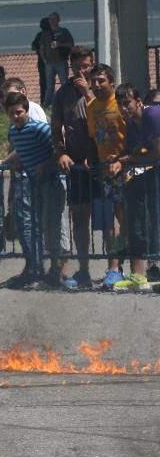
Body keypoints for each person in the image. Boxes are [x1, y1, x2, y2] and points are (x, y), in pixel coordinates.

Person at [2, 92, 70, 288]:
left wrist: (45, 164)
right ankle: (36, 268)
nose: (16, 116)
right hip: (33, 183)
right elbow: (23, 152)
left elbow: (58, 149)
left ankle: (57, 270)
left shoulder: (40, 128)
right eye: (12, 113)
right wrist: (19, 163)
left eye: (20, 112)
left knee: (52, 226)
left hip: (50, 181)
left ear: (27, 111)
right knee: (34, 226)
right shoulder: (14, 132)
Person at [52, 45, 96, 288]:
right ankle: (84, 269)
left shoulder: (101, 85)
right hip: (76, 163)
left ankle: (115, 267)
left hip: (101, 163)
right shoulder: (63, 93)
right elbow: (56, 125)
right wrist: (60, 152)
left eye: (86, 65)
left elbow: (104, 119)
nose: (83, 70)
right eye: (78, 66)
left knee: (109, 220)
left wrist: (87, 91)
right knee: (80, 217)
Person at [111, 85, 160, 292]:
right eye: (120, 104)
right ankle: (139, 276)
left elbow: (157, 154)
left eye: (127, 103)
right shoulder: (132, 123)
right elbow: (129, 149)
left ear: (138, 101)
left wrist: (128, 160)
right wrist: (118, 161)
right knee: (138, 214)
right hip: (153, 173)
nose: (123, 108)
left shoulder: (153, 115)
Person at [86, 63, 127, 289]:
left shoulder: (121, 103)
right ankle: (114, 267)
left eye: (101, 80)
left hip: (126, 168)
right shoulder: (91, 107)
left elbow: (133, 134)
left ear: (112, 82)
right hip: (104, 170)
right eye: (94, 81)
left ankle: (145, 263)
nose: (97, 85)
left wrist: (122, 161)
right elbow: (94, 137)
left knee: (129, 220)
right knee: (110, 221)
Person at [39, 12, 74, 106]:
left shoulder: (64, 31)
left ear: (58, 20)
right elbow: (41, 48)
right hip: (49, 63)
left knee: (64, 83)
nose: (52, 21)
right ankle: (48, 104)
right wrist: (44, 60)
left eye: (54, 19)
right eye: (50, 19)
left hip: (61, 61)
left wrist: (59, 44)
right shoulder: (45, 34)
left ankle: (67, 101)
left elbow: (71, 44)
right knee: (49, 86)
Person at [32, 17, 51, 105]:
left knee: (45, 83)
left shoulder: (42, 35)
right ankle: (45, 101)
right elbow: (33, 46)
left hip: (48, 62)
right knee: (45, 82)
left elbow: (33, 46)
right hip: (44, 62)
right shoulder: (41, 35)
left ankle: (46, 101)